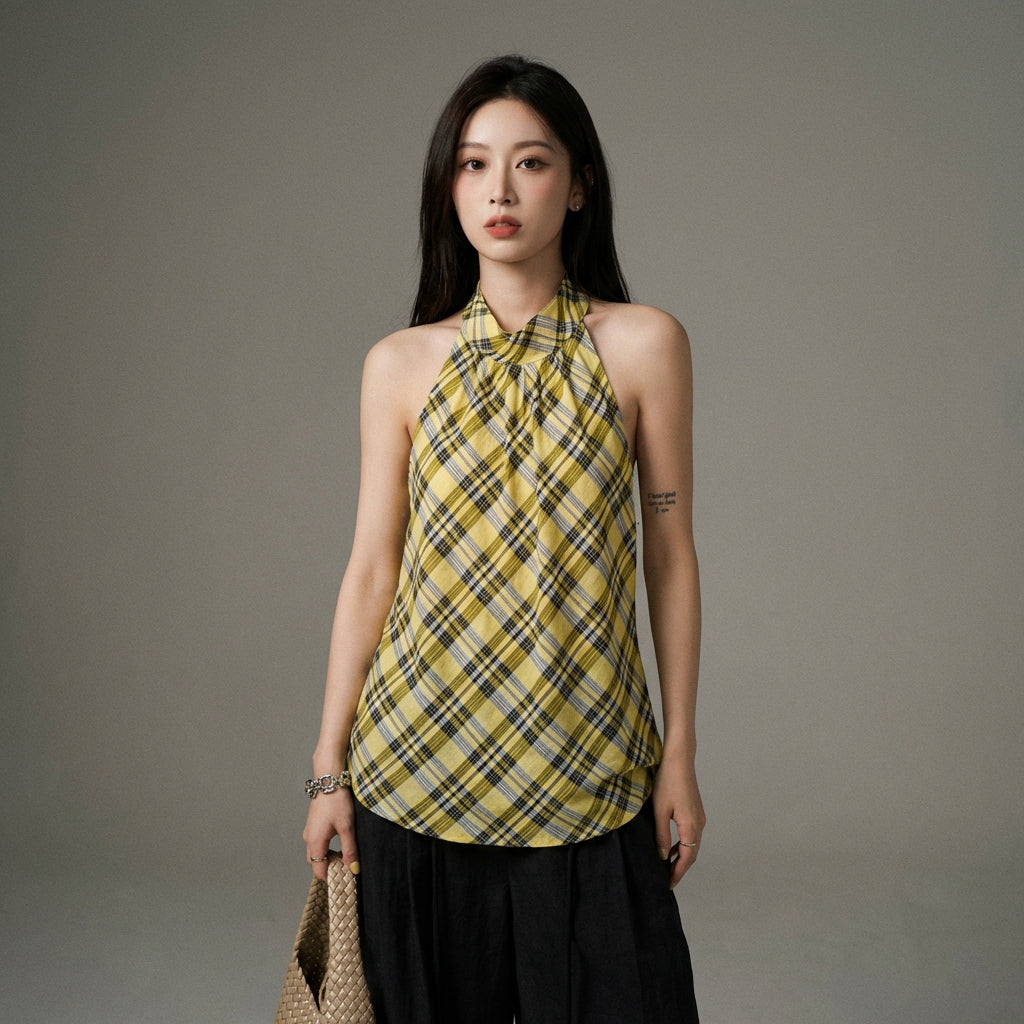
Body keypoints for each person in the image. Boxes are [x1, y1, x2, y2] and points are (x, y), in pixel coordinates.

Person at [302, 54, 704, 1023]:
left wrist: (679, 754)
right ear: (448, 189)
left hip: (593, 769)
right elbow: (372, 569)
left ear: (579, 185)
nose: (500, 191)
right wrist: (327, 769)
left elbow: (670, 554)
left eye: (531, 162)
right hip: (417, 771)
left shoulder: (643, 345)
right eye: (474, 165)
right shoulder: (400, 364)